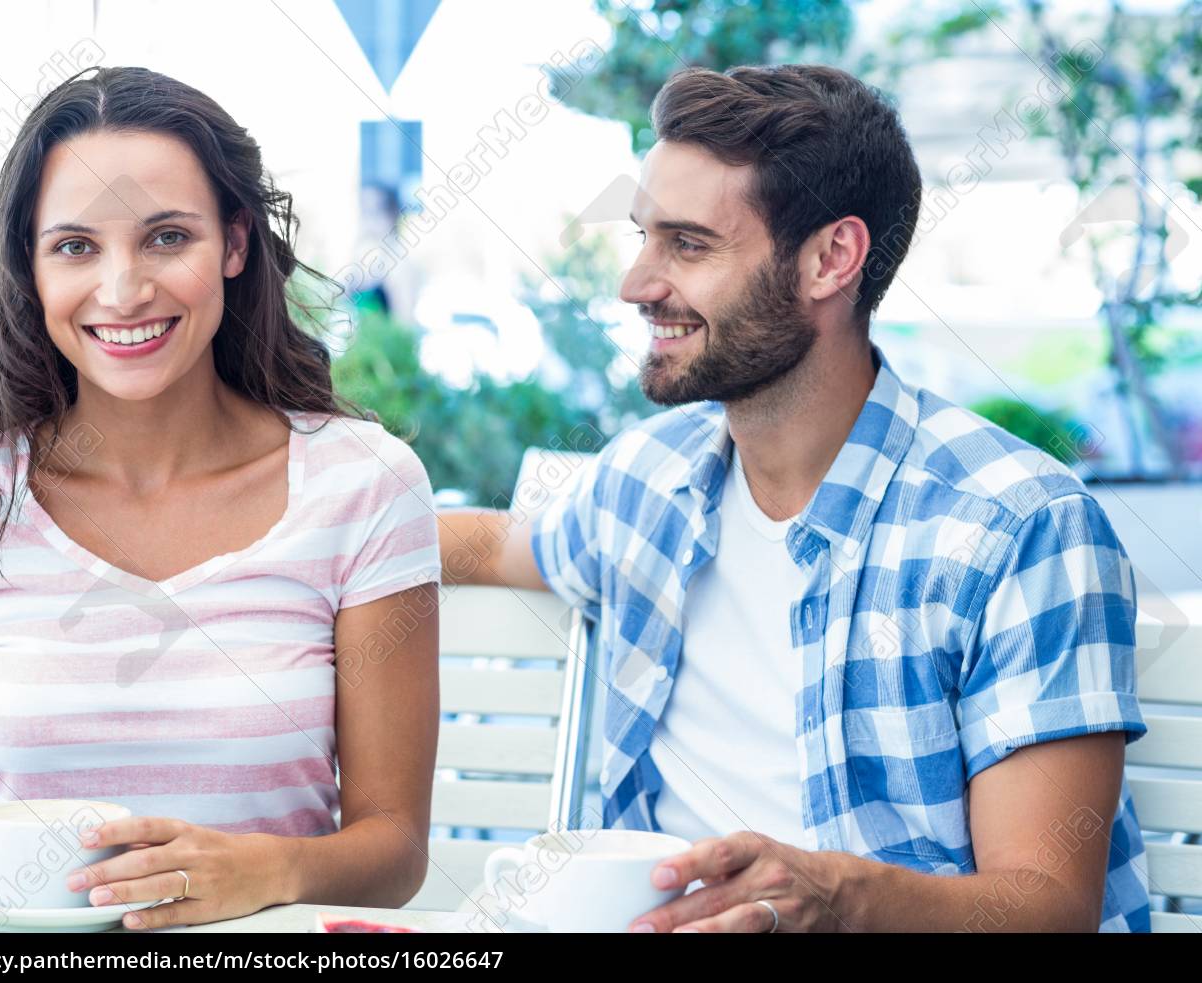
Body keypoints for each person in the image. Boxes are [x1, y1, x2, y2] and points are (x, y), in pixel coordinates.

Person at [439, 64, 1150, 932]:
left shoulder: (1018, 526)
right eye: (644, 237)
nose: (638, 283)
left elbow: (1048, 908)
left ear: (830, 259)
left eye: (688, 244)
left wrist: (838, 896)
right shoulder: (645, 480)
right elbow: (484, 545)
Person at [0, 66, 441, 930]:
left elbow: (395, 850)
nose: (124, 289)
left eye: (168, 238)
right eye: (75, 246)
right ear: (31, 265)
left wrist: (268, 867)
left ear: (235, 245)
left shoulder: (365, 485)